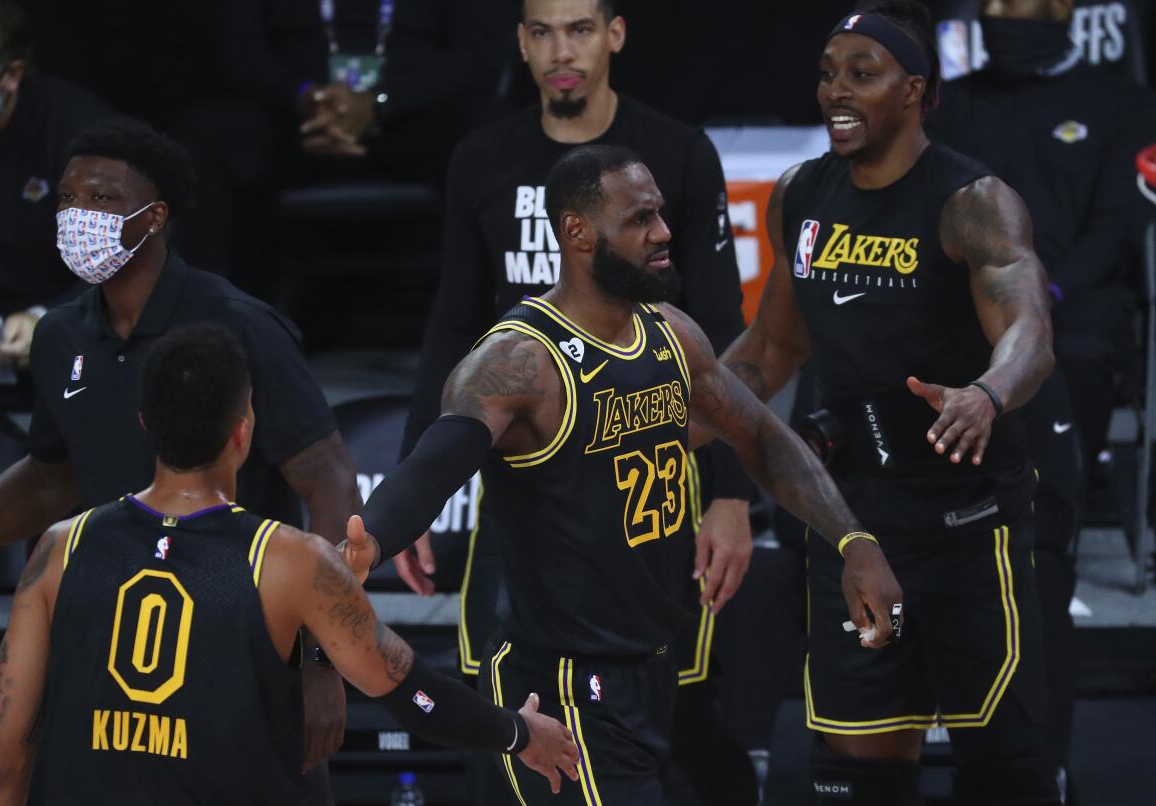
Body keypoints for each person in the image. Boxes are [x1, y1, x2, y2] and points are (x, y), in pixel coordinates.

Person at [344, 143, 904, 804]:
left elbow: (761, 435)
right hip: (563, 689)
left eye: (660, 214)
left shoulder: (671, 334)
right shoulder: (519, 361)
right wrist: (369, 539)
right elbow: (436, 465)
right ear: (578, 233)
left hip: (657, 665)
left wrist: (853, 540)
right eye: (639, 219)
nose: (663, 232)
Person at [0, 324, 579, 805]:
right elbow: (414, 695)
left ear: (144, 426)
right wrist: (519, 733)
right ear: (244, 430)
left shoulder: (58, 549)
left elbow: (0, 761)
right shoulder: (291, 561)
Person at [397, 3, 757, 798]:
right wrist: (412, 488)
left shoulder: (675, 154)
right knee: (508, 696)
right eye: (543, 32)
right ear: (521, 43)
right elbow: (453, 320)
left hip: (648, 470)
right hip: (533, 475)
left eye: (581, 28)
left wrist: (731, 495)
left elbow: (726, 335)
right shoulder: (481, 158)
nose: (563, 50)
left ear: (615, 34)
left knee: (679, 712)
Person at [0, 116, 360, 795]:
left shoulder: (237, 323)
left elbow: (333, 489)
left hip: (237, 639)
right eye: (66, 198)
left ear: (156, 217)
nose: (78, 214)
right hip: (107, 643)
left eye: (104, 198)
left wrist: (321, 662)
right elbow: (52, 483)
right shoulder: (59, 334)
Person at [721, 2, 1060, 803]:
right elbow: (770, 351)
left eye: (861, 75)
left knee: (1004, 777)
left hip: (966, 531)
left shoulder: (971, 202)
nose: (836, 90)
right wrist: (671, 399)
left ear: (914, 89)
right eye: (828, 73)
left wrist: (987, 392)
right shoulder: (801, 195)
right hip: (853, 531)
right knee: (857, 778)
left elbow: (1030, 334)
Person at [922, 3, 1156, 799]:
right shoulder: (951, 103)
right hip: (955, 338)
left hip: (1071, 338)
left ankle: (1042, 765)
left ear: (1070, 10)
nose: (1012, 14)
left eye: (1031, 1)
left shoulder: (1122, 103)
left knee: (1035, 548)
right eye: (997, 2)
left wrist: (1032, 301)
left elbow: (1122, 228)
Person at [0, 0, 106, 370]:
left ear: (11, 75)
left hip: (66, 345)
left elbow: (130, 254)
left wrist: (47, 317)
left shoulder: (76, 133)